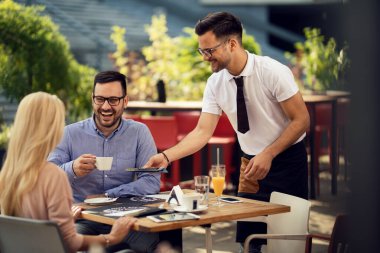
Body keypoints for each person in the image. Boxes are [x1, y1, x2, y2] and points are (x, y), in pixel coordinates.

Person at [144, 12, 310, 252]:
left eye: (209, 50)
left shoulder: (272, 71)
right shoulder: (215, 83)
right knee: (250, 242)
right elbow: (202, 132)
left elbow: (301, 119)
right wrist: (166, 156)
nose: (205, 58)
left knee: (286, 243)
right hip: (250, 167)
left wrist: (270, 153)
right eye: (202, 51)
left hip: (287, 163)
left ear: (232, 43)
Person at [0, 92, 136, 253]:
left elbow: (29, 228)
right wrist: (112, 237)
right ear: (51, 128)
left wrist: (62, 222)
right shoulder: (53, 176)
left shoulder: (8, 174)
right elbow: (70, 242)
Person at [48, 71, 161, 252]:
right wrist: (72, 169)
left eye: (113, 100)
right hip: (84, 218)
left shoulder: (140, 133)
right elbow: (48, 175)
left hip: (125, 217)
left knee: (150, 244)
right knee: (70, 245)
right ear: (92, 99)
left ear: (125, 101)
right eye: (100, 99)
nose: (106, 107)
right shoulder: (69, 133)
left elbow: (151, 181)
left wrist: (109, 194)